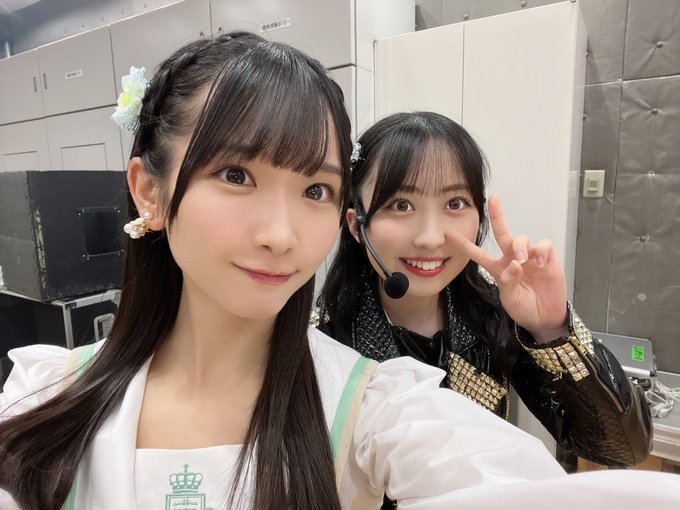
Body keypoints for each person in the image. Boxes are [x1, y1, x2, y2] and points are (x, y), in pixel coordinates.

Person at [0, 33, 676, 510]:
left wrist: (551, 328)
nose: (280, 234)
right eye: (236, 175)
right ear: (358, 223)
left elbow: (609, 454)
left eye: (314, 189)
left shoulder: (387, 388)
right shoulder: (39, 397)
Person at [317, 111, 652, 476]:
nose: (430, 238)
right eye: (401, 205)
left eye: (454, 204)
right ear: (356, 225)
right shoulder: (325, 343)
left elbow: (625, 446)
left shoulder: (494, 316)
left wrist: (552, 329)